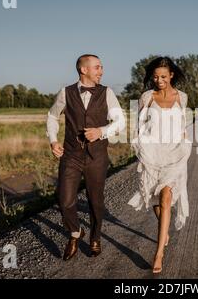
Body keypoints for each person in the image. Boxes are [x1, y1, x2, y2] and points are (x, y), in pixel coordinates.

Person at [46, 54, 125, 261]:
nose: (102, 71)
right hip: (71, 154)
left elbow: (120, 122)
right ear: (84, 70)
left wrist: (101, 131)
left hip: (97, 156)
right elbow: (52, 116)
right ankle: (75, 232)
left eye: (101, 67)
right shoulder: (66, 92)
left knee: (95, 201)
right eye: (98, 67)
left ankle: (95, 236)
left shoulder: (107, 93)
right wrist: (53, 141)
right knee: (65, 200)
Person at [128, 57, 192, 274]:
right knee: (155, 197)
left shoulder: (182, 97)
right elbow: (138, 126)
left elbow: (183, 125)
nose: (159, 80)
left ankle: (159, 254)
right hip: (152, 152)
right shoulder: (147, 97)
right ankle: (164, 232)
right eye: (155, 76)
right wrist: (140, 148)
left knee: (166, 196)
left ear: (171, 75)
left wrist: (185, 147)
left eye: (163, 76)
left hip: (174, 153)